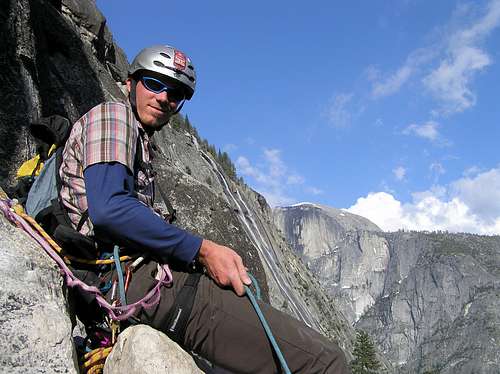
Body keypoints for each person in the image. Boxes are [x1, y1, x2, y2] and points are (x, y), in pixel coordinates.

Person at [59, 44, 350, 373]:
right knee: (325, 361)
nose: (164, 97)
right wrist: (203, 250)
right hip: (136, 281)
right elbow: (109, 208)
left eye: (175, 93)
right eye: (154, 83)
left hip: (128, 278)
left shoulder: (136, 136)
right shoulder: (114, 116)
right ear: (130, 82)